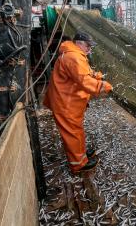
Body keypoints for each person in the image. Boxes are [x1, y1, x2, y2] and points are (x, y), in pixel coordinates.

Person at [44, 32, 113, 174]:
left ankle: (80, 154)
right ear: (79, 43)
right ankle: (78, 165)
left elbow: (81, 73)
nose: (89, 49)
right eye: (87, 46)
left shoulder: (74, 54)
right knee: (73, 133)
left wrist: (96, 75)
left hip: (69, 102)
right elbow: (84, 81)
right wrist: (104, 86)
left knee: (77, 130)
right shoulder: (73, 56)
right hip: (65, 104)